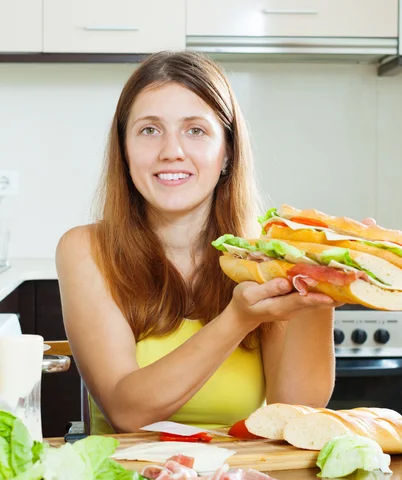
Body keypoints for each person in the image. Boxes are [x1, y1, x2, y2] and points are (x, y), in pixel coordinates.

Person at [56, 50, 342, 435]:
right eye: (149, 130)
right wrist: (238, 320)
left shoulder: (264, 259)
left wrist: (318, 291)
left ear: (227, 152)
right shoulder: (86, 250)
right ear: (123, 151)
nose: (171, 151)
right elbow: (127, 411)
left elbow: (295, 409)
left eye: (195, 130)